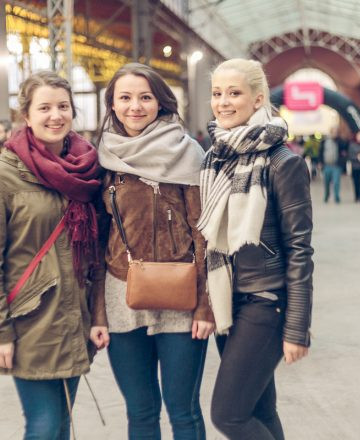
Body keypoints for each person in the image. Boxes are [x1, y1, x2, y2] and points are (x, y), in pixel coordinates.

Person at [96, 62, 215, 440]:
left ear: (161, 103)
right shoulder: (101, 159)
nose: (136, 106)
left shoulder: (189, 153)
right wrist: (98, 313)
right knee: (140, 412)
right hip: (121, 296)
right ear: (111, 105)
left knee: (184, 411)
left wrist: (205, 305)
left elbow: (205, 235)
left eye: (145, 97)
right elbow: (98, 240)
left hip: (182, 297)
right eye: (125, 98)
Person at [197, 58, 314, 440]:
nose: (223, 102)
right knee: (259, 409)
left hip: (265, 303)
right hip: (228, 301)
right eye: (217, 93)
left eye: (234, 93)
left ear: (258, 98)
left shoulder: (284, 163)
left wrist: (297, 327)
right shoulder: (215, 157)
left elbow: (300, 250)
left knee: (228, 416)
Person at [0, 71, 105, 439]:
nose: (55, 115)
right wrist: (1, 332)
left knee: (61, 426)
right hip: (31, 321)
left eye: (63, 106)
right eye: (44, 107)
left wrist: (96, 313)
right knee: (44, 428)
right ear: (25, 115)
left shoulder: (87, 168)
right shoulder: (5, 174)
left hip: (74, 316)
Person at [318, 127, 347, 203]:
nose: (334, 133)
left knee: (336, 182)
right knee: (326, 183)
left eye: (336, 132)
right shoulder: (324, 141)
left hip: (336, 166)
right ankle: (327, 195)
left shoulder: (339, 141)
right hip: (326, 165)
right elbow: (320, 152)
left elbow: (345, 148)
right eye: (333, 132)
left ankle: (336, 197)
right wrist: (320, 162)